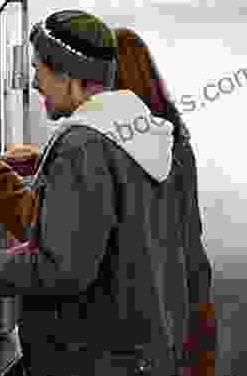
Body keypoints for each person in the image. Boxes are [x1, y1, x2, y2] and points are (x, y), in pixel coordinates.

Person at [0, 9, 203, 375]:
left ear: (66, 74)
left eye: (38, 70)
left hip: (88, 360)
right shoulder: (142, 134)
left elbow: (61, 270)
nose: (34, 83)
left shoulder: (81, 144)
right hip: (140, 356)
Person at [114, 27, 214, 376]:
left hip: (146, 317)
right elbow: (191, 230)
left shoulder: (113, 150)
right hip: (188, 292)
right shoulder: (174, 140)